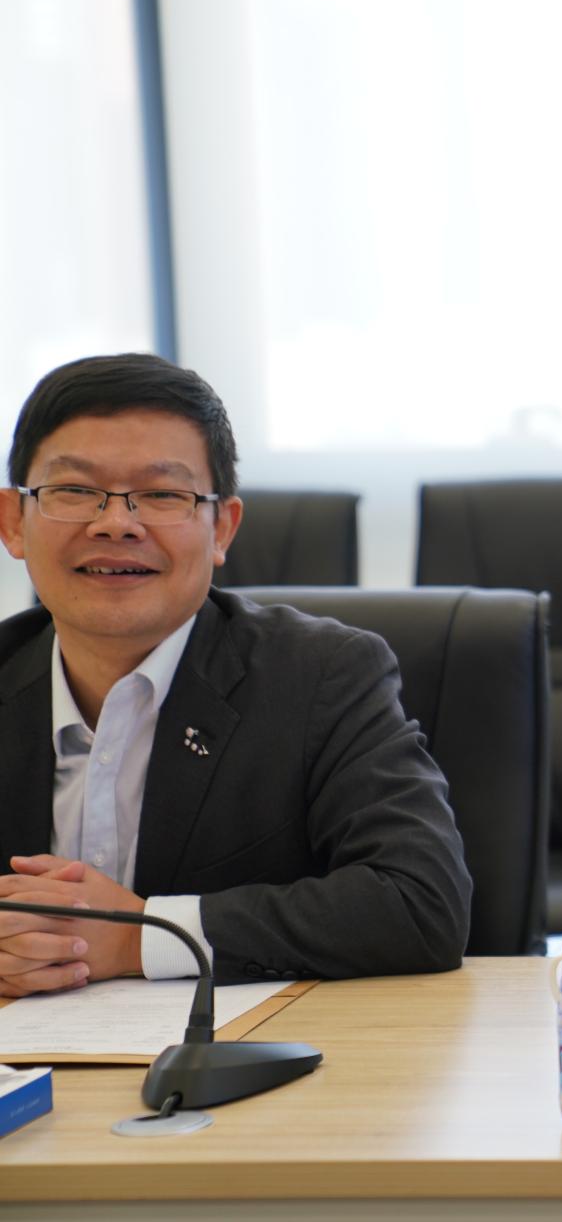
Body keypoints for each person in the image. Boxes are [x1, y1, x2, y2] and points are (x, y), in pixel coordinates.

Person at [0, 354, 471, 996]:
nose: (115, 523)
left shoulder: (323, 677)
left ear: (221, 528)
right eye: (76, 491)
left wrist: (142, 936)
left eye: (162, 495)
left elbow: (420, 903)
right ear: (14, 522)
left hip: (249, 1049)